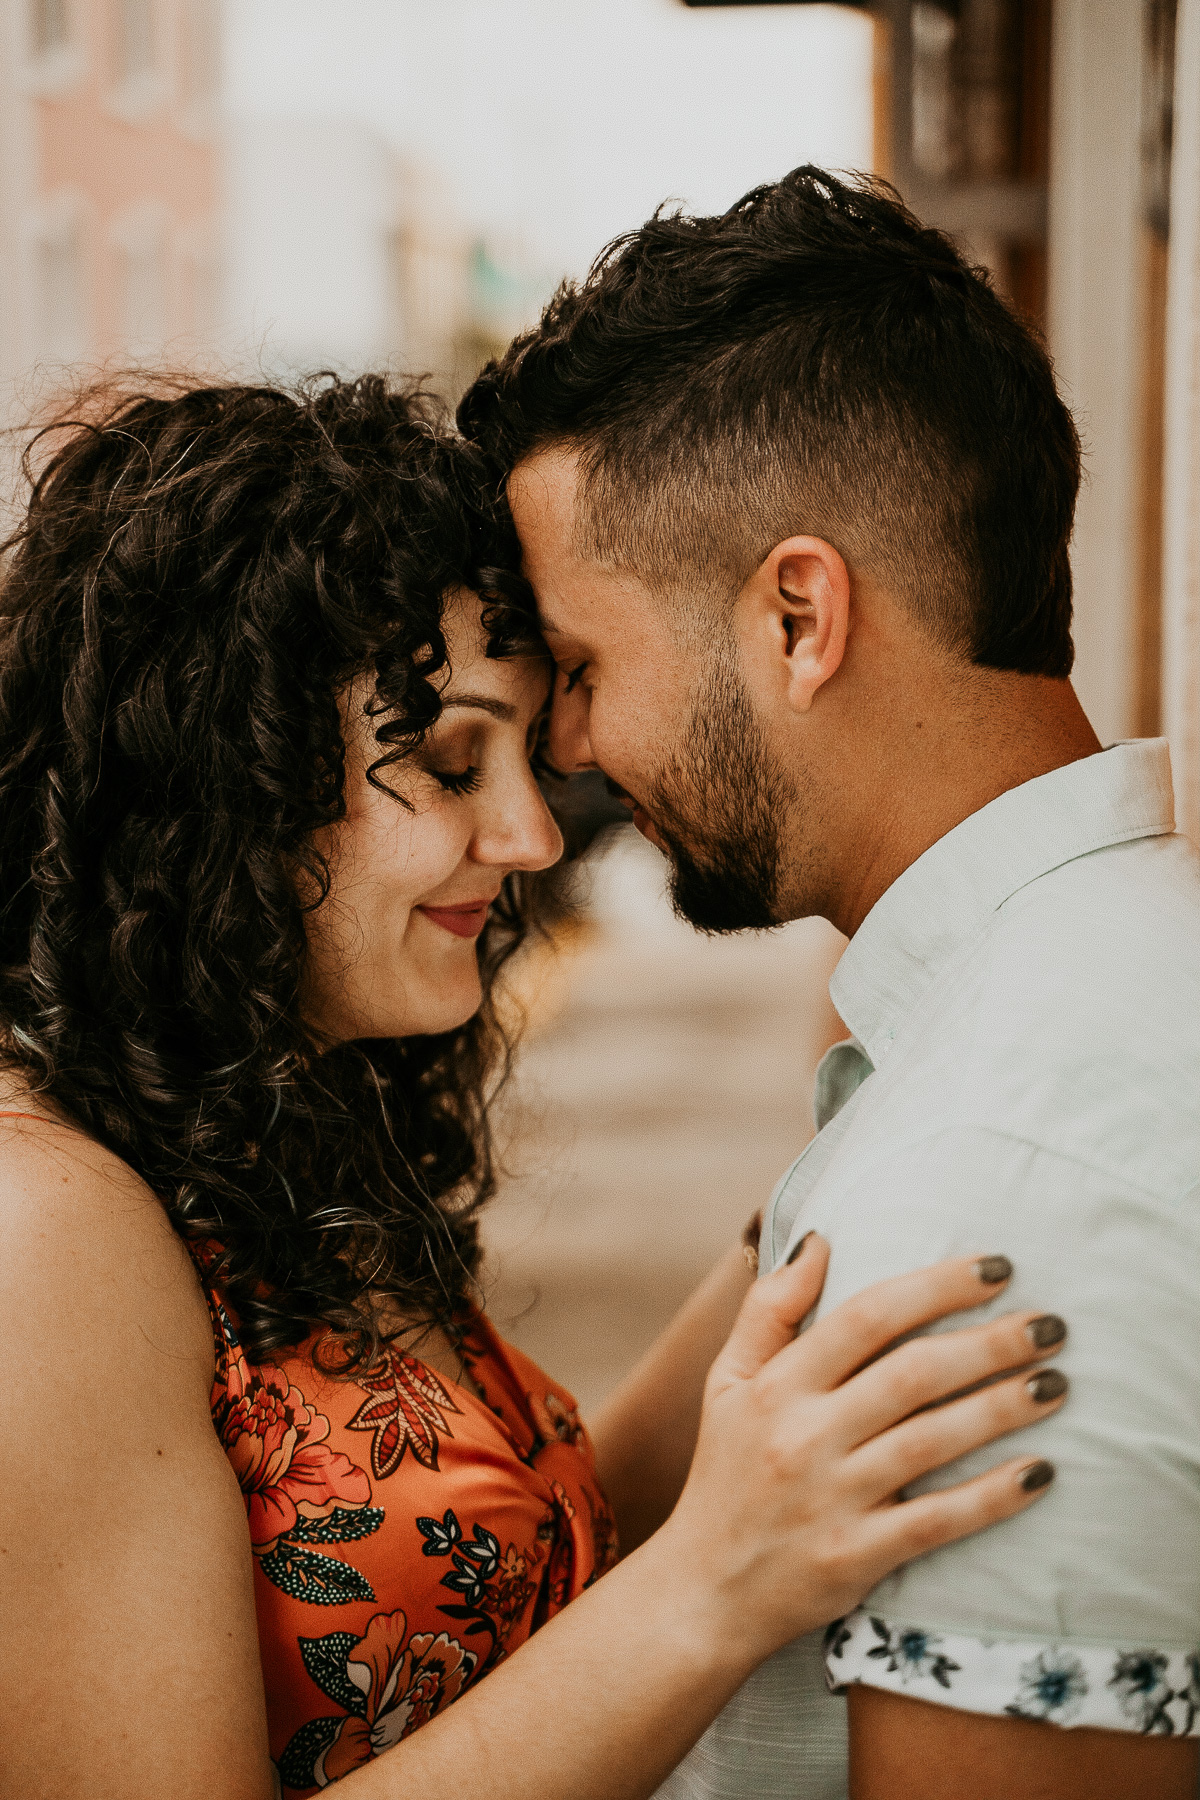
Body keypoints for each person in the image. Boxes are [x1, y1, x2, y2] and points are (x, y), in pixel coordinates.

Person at [0, 374, 1065, 1800]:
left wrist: (832, 1205)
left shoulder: (285, 1119)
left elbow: (501, 1569)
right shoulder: (49, 1232)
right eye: (447, 764)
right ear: (219, 786)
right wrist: (714, 1585)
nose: (523, 836)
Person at [461, 167, 1200, 1800]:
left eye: (585, 668)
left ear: (800, 614)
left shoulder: (987, 1199)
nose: (569, 750)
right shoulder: (1125, 962)